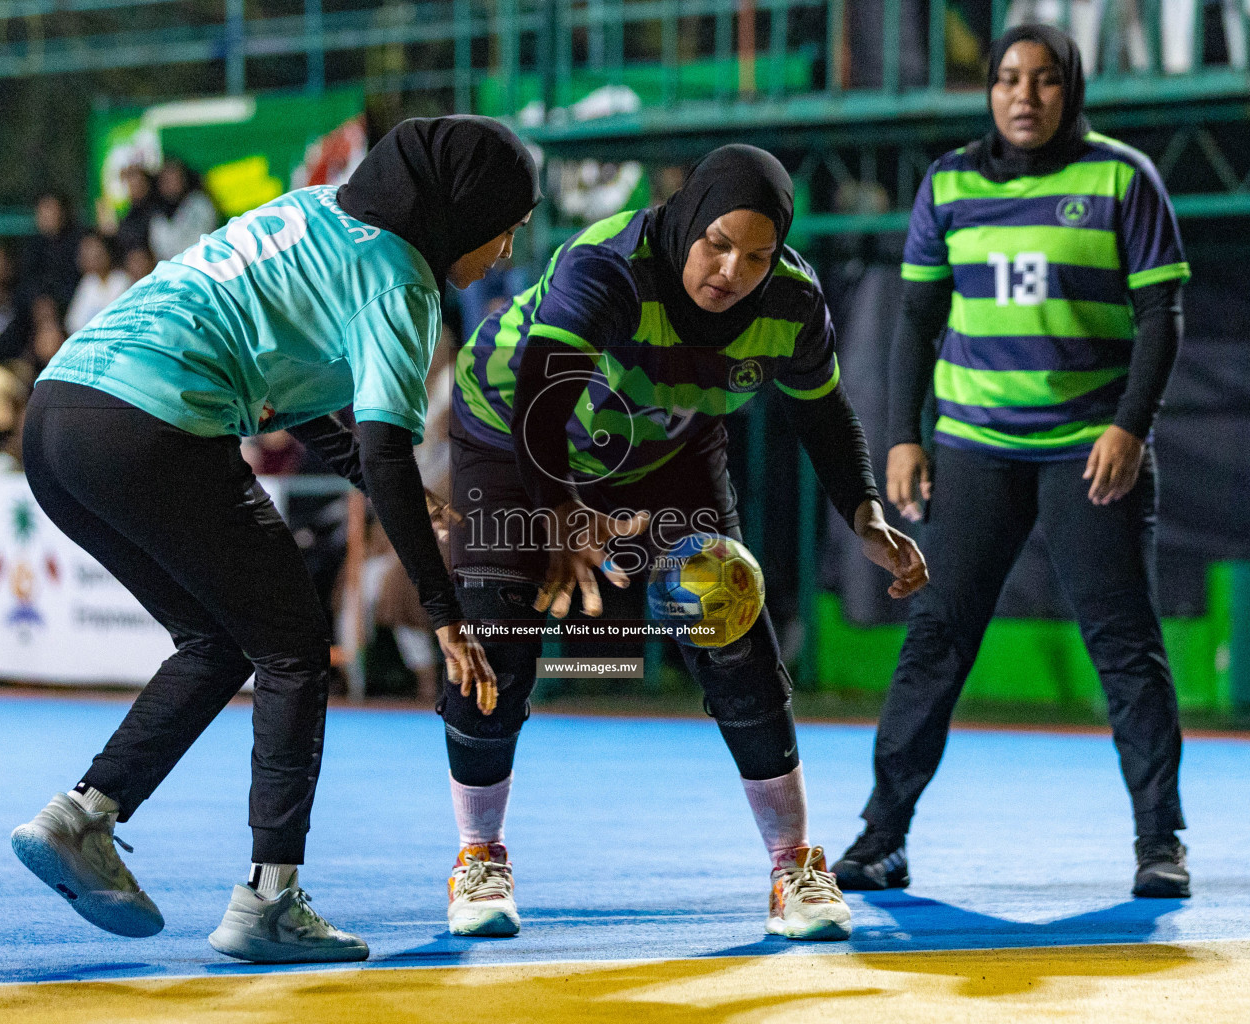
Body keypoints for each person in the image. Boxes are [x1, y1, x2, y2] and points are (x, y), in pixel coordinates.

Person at [11, 115, 539, 965]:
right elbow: (382, 446)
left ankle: (80, 818)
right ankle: (268, 902)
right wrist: (446, 612)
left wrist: (398, 494)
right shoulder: (401, 279)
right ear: (464, 211)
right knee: (294, 645)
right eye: (507, 227)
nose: (507, 251)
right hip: (155, 417)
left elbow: (299, 402)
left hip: (59, 414)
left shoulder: (316, 210)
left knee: (220, 639)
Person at [441, 145, 928, 942]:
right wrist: (559, 513)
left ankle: (795, 865)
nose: (734, 269)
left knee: (732, 624)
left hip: (666, 450)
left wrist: (866, 512)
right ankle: (477, 856)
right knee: (499, 638)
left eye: (758, 254)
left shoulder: (794, 307)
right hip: (515, 433)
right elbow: (540, 389)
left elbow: (824, 416)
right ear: (689, 221)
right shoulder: (610, 267)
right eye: (719, 244)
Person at [831, 24, 1192, 900]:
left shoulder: (1120, 178)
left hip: (1089, 456)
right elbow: (916, 321)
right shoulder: (949, 183)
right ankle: (882, 839)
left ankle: (1160, 843)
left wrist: (1130, 429)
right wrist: (905, 437)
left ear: (1070, 90)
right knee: (935, 643)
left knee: (1126, 647)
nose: (1023, 96)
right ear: (988, 92)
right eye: (1006, 80)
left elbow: (1161, 317)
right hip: (976, 454)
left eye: (1042, 81)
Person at [149, 158, 219, 261]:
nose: (171, 185)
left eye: (175, 179)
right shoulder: (158, 218)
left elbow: (204, 238)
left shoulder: (199, 203)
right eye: (166, 181)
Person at [64, 233, 132, 335]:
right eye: (88, 254)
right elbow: (73, 324)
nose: (93, 258)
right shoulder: (88, 283)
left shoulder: (122, 280)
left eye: (98, 254)